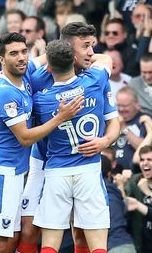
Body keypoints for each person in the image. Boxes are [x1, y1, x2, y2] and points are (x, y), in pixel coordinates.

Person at [0, 33, 82, 253]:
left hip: (15, 173)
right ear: (1, 60)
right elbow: (25, 138)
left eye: (24, 51)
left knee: (11, 239)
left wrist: (78, 49)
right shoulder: (5, 94)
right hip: (0, 176)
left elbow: (48, 58)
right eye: (14, 53)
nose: (21, 57)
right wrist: (60, 117)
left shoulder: (25, 75)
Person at [31, 40, 117, 253]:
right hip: (88, 170)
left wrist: (46, 58)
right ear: (74, 60)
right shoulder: (95, 81)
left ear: (49, 68)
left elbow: (32, 78)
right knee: (98, 245)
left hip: (56, 174)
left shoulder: (41, 100)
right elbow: (106, 59)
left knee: (50, 244)